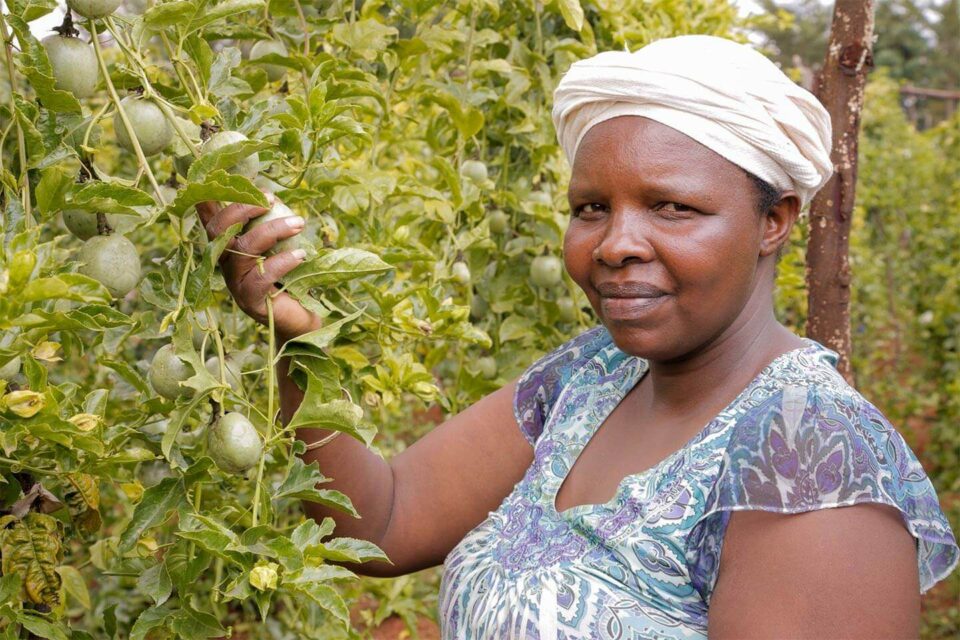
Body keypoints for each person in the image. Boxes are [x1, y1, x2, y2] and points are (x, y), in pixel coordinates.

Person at [196, 35, 958, 639]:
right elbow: (385, 522)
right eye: (590, 208)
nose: (614, 244)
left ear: (775, 219)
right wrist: (295, 342)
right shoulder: (592, 378)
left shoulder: (810, 455)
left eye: (672, 207)